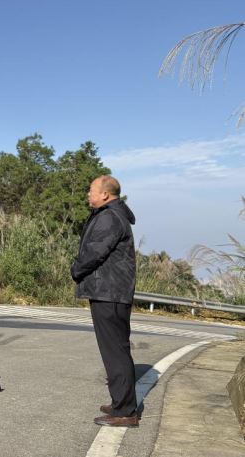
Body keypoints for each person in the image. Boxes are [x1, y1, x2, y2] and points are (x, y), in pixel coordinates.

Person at [71, 175, 138, 428]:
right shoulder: (114, 214)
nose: (88, 194)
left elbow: (93, 252)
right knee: (117, 349)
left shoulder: (109, 217)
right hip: (112, 292)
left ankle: (125, 412)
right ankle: (122, 402)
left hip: (109, 292)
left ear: (105, 195)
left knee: (115, 352)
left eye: (91, 190)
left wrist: (76, 270)